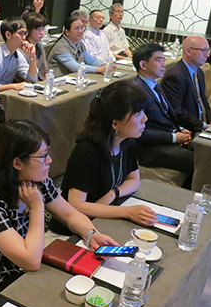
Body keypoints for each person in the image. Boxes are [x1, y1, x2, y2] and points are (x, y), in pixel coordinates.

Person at [0, 119, 118, 307]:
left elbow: (70, 215)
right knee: (55, 302)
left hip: (13, 267)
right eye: (43, 156)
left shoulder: (37, 181)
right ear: (17, 163)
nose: (49, 161)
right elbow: (31, 261)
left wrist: (91, 234)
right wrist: (37, 206)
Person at [50, 81, 156, 235]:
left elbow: (134, 180)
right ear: (115, 123)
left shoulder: (126, 141)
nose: (144, 118)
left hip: (105, 216)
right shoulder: (86, 151)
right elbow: (77, 205)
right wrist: (127, 212)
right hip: (76, 229)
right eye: (138, 113)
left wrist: (113, 193)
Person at [132, 43, 194, 179]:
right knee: (195, 160)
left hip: (165, 138)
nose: (164, 64)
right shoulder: (136, 91)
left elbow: (167, 116)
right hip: (148, 149)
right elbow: (139, 132)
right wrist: (173, 137)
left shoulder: (156, 85)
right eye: (158, 60)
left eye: (164, 59)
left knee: (204, 149)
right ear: (143, 65)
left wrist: (179, 130)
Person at [161, 35, 211, 130]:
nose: (207, 55)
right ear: (188, 51)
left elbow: (204, 102)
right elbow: (177, 112)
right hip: (188, 129)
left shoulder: (199, 72)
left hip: (203, 124)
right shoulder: (174, 76)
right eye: (203, 51)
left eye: (208, 50)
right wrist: (203, 126)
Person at [47, 10, 106, 76]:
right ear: (67, 32)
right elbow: (75, 67)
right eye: (76, 28)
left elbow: (91, 60)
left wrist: (103, 65)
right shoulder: (61, 47)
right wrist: (100, 69)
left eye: (82, 28)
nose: (80, 31)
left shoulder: (80, 44)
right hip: (58, 79)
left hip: (74, 77)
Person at [23, 12, 49, 82]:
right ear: (28, 30)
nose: (42, 32)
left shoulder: (39, 46)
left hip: (41, 82)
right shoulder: (22, 49)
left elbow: (46, 70)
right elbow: (28, 77)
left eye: (43, 29)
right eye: (38, 29)